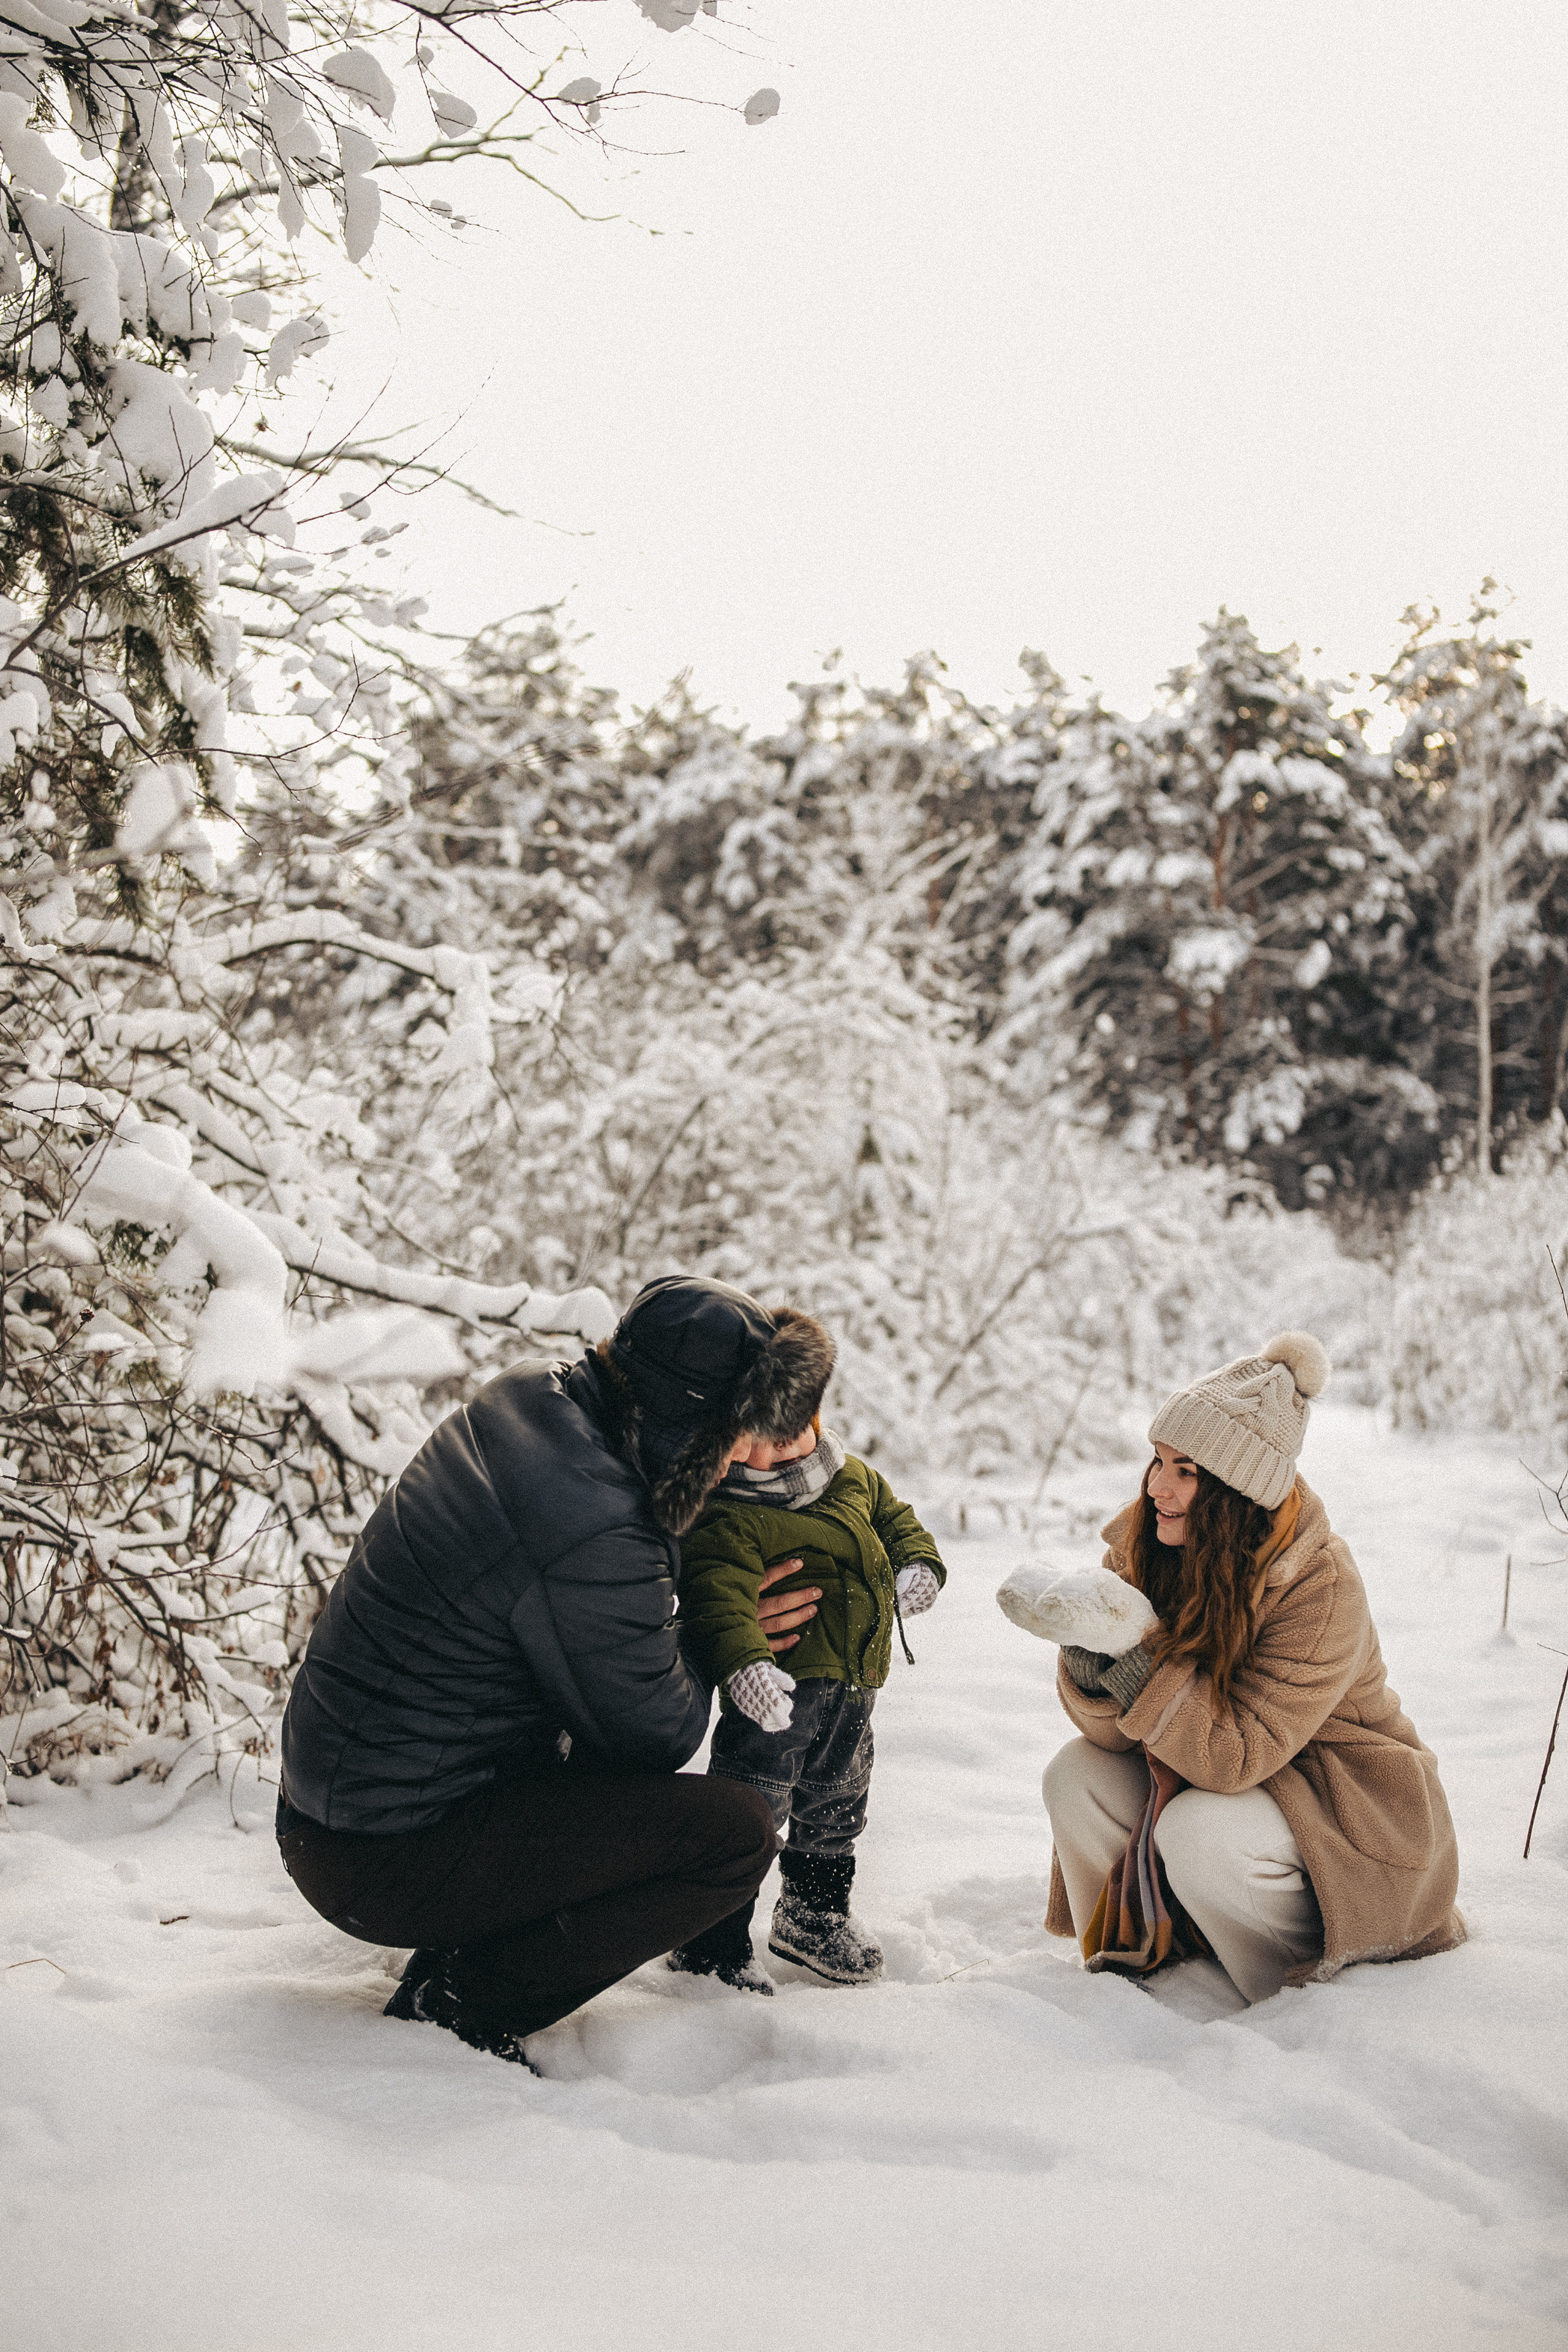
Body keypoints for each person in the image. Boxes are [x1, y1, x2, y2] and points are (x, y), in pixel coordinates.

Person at [276, 1273, 835, 2067]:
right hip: (376, 1862)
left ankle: (472, 1941)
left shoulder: (537, 1400)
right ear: (690, 1422)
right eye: (736, 1435)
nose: (745, 1458)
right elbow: (658, 1734)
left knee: (597, 1756)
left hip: (336, 1811)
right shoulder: (589, 1517)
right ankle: (460, 2005)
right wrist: (722, 1633)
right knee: (731, 1835)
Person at [1039, 1331, 1464, 2005]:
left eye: (1187, 1472)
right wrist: (1093, 1670)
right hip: (1214, 1776)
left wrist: (1137, 1667)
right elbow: (1117, 1736)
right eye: (1157, 1461)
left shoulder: (1320, 1587)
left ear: (1238, 1491)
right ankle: (1134, 1962)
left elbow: (1236, 1756)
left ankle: (1287, 1991)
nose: (1158, 1487)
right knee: (1075, 1776)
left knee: (1199, 1830)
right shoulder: (1146, 1547)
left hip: (1336, 1796)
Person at [666, 1341, 946, 1991]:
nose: (783, 1452)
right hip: (777, 1695)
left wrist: (919, 1567)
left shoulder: (852, 1477)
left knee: (838, 1802)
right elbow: (720, 1598)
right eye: (765, 1439)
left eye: (796, 1432)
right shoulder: (730, 1514)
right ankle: (711, 1938)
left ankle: (812, 1914)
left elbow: (900, 1524)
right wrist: (745, 1667)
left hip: (853, 1688)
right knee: (753, 1807)